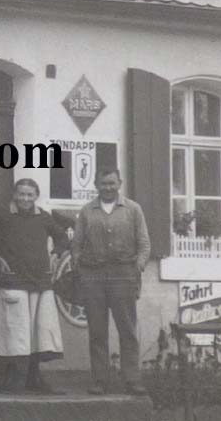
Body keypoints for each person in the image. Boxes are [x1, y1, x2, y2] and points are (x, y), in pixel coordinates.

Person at [0, 178, 68, 394]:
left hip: (41, 282)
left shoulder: (43, 217)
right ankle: (16, 380)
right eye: (21, 194)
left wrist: (56, 254)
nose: (25, 199)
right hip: (14, 281)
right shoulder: (3, 215)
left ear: (36, 196)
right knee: (16, 333)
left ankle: (34, 378)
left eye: (30, 195)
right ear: (14, 195)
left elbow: (63, 238)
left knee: (38, 332)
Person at [71, 167, 150, 396]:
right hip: (93, 277)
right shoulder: (87, 211)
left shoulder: (133, 209)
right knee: (97, 331)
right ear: (96, 185)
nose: (108, 187)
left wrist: (137, 267)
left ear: (119, 183)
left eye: (112, 183)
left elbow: (144, 244)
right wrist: (81, 270)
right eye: (103, 183)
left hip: (123, 275)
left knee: (127, 330)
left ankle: (132, 380)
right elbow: (76, 245)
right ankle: (100, 380)